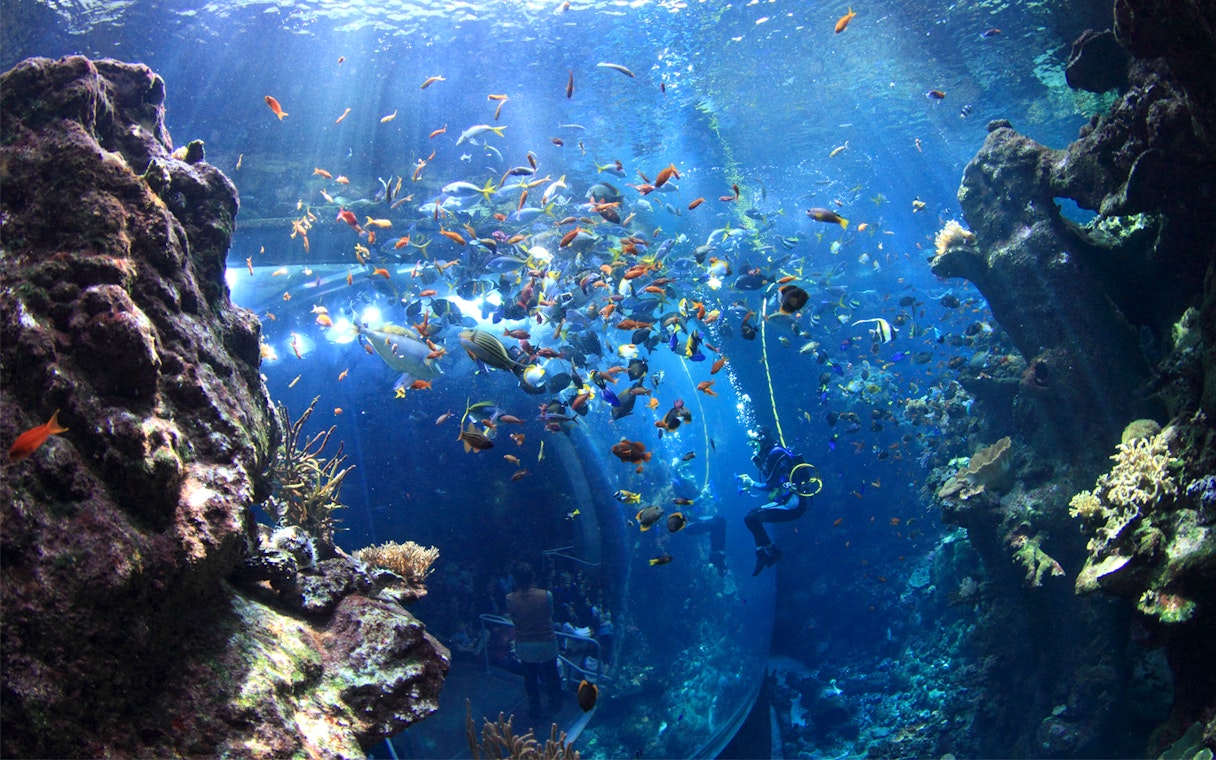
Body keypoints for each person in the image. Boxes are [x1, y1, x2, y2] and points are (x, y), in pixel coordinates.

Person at [735, 427, 813, 576]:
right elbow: (777, 480)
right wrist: (760, 465)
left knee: (750, 518)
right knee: (751, 517)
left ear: (762, 441)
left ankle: (770, 552)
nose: (753, 449)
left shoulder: (774, 454)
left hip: (793, 504)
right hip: (789, 500)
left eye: (754, 445)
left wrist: (751, 483)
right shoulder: (775, 452)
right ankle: (764, 553)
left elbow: (771, 485)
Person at [505, 561, 563, 719]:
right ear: (533, 576)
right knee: (551, 674)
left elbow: (515, 619)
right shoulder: (546, 595)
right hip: (546, 642)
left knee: (530, 679)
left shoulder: (510, 598)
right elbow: (549, 614)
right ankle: (555, 704)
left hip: (525, 644)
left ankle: (535, 708)